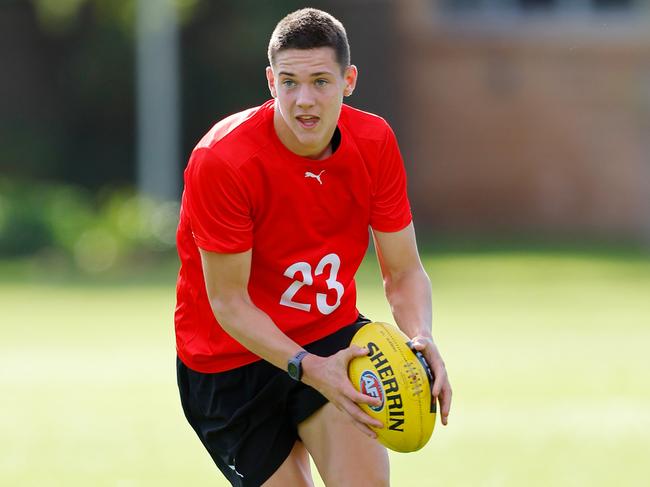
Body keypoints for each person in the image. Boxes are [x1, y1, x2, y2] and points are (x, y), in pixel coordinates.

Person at [174, 7, 452, 487]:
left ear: (349, 81)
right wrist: (307, 368)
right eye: (290, 82)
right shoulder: (223, 160)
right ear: (270, 81)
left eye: (321, 81)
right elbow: (229, 303)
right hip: (231, 362)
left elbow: (403, 272)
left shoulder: (375, 142)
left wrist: (421, 340)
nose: (304, 100)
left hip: (331, 337)